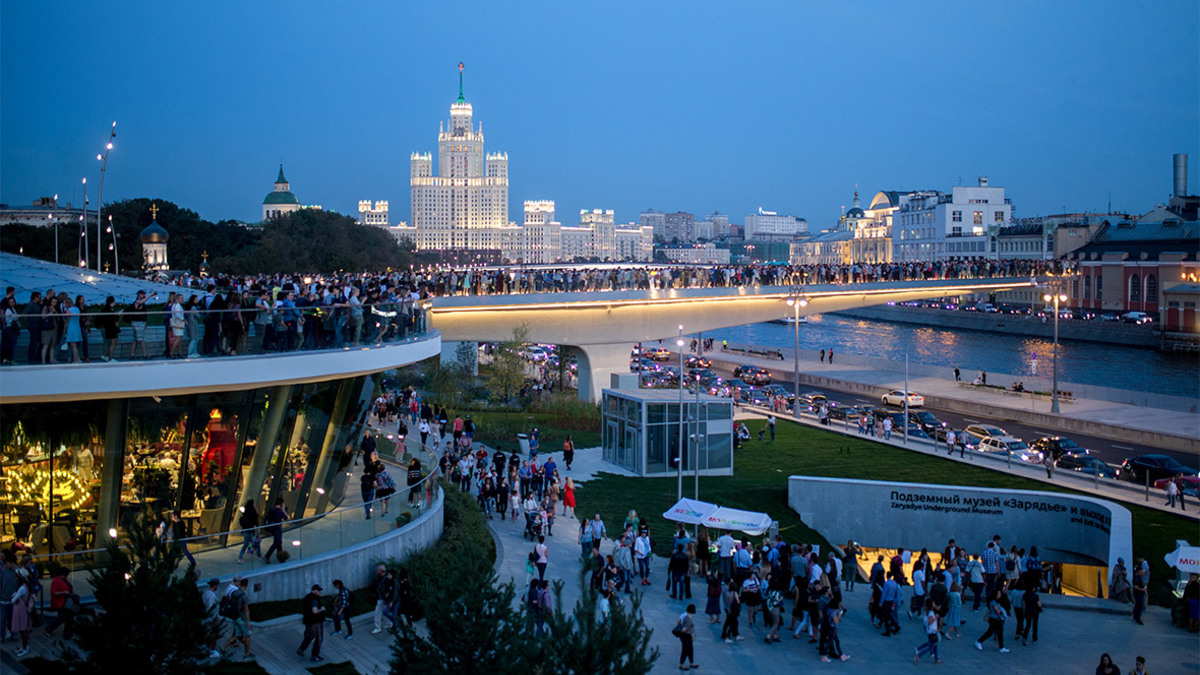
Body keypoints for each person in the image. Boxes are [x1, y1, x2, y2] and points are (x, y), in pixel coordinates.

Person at [220, 577, 254, 660]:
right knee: (248, 635)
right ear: (246, 585)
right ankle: (246, 654)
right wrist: (248, 622)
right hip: (241, 618)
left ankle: (223, 647)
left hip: (234, 616)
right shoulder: (244, 596)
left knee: (237, 634)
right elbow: (246, 610)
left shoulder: (234, 592)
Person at [43, 566, 76, 640]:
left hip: (67, 602)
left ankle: (68, 634)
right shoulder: (56, 581)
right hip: (60, 602)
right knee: (62, 618)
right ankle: (49, 629)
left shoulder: (64, 580)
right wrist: (63, 592)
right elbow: (53, 592)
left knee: (69, 618)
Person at [975, 588, 1009, 652]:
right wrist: (1002, 611)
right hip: (994, 619)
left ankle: (1001, 647)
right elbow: (997, 611)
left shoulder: (995, 601)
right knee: (990, 632)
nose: (1000, 594)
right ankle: (979, 641)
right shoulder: (993, 602)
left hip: (997, 619)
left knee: (999, 633)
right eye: (998, 593)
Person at [297, 584, 326, 662]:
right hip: (316, 622)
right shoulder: (314, 599)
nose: (320, 592)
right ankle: (315, 656)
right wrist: (322, 609)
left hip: (308, 621)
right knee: (319, 639)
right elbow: (315, 611)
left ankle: (301, 649)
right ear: (314, 591)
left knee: (309, 636)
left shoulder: (308, 597)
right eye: (319, 591)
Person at [913, 598, 941, 665]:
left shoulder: (927, 611)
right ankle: (919, 655)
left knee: (935, 645)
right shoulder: (931, 613)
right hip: (932, 631)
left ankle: (936, 659)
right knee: (931, 646)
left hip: (929, 630)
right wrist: (936, 618)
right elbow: (930, 622)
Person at [262, 498, 288, 563]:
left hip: (272, 528)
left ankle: (281, 557)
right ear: (281, 504)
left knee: (279, 542)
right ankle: (267, 556)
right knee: (276, 543)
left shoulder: (272, 510)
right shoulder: (279, 511)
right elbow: (286, 518)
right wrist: (283, 509)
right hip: (277, 529)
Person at [371, 564, 394, 634]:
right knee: (383, 611)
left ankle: (378, 627)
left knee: (377, 612)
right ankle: (389, 623)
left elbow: (389, 589)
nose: (376, 571)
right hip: (380, 597)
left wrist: (386, 598)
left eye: (378, 570)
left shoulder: (386, 578)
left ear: (381, 570)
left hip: (382, 598)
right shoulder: (380, 577)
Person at [676, 604, 697, 670]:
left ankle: (691, 663)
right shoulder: (689, 620)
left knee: (690, 649)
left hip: (686, 636)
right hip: (687, 635)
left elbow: (678, 622)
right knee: (685, 650)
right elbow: (684, 629)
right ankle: (682, 664)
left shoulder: (684, 615)